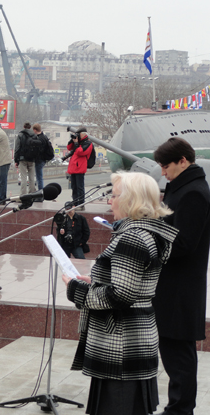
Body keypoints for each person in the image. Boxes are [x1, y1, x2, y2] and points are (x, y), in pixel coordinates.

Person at [62, 172, 178, 415]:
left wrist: (76, 290)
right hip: (131, 339)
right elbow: (132, 284)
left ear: (130, 200)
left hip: (121, 345)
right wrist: (95, 281)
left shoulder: (132, 237)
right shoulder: (143, 233)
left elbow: (121, 296)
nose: (109, 201)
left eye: (114, 196)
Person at [152, 137, 210, 415]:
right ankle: (177, 406)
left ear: (183, 161)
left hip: (181, 287)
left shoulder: (194, 193)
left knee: (179, 355)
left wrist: (149, 244)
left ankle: (181, 410)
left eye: (166, 166)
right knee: (172, 351)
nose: (163, 171)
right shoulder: (181, 188)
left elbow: (185, 243)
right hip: (171, 284)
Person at [65, 127, 93, 209]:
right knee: (74, 187)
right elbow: (69, 147)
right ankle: (75, 202)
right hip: (73, 167)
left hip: (80, 168)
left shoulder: (88, 143)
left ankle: (81, 204)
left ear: (83, 134)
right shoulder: (79, 142)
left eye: (79, 134)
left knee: (79, 187)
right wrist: (72, 140)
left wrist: (76, 143)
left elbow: (81, 152)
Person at [14, 122, 38, 196]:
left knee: (23, 177)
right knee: (31, 177)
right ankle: (31, 194)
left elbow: (17, 148)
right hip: (32, 159)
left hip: (22, 159)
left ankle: (23, 195)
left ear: (23, 126)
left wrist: (16, 160)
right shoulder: (34, 135)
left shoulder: (20, 135)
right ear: (30, 127)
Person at [32, 123, 53, 193]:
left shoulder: (39, 138)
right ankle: (40, 191)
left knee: (39, 177)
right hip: (44, 159)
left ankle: (40, 192)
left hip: (39, 159)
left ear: (35, 130)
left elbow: (39, 150)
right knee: (39, 176)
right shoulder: (44, 137)